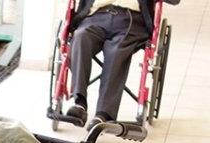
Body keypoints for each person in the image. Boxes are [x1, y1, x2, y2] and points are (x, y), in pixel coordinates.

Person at [66, 0, 180, 129]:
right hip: (95, 16)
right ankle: (79, 103)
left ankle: (103, 114)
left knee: (117, 51)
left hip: (130, 20)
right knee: (80, 38)